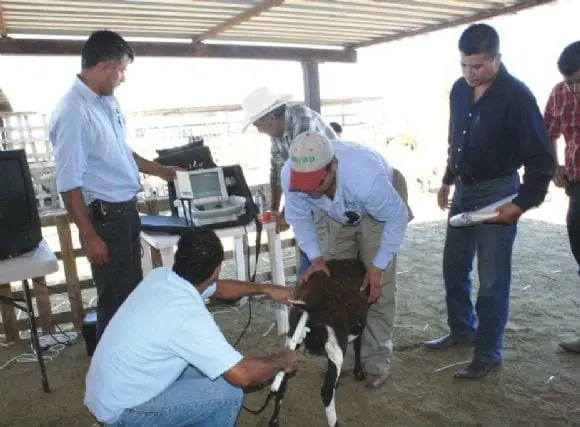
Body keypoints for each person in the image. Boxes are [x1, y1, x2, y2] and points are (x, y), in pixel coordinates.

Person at [424, 23, 555, 379]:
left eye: (478, 66)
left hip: (499, 193)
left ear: (498, 58)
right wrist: (447, 181)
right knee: (453, 267)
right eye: (465, 65)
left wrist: (521, 203)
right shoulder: (458, 90)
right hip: (464, 191)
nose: (470, 73)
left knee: (493, 281)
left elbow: (542, 158)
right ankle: (462, 330)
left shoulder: (517, 96)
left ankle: (487, 353)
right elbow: (457, 141)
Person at [84, 227, 298, 426]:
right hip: (123, 411)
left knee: (209, 368)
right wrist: (282, 360)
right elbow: (242, 375)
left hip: (107, 390)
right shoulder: (187, 315)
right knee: (229, 391)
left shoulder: (162, 277)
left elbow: (219, 288)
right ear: (216, 271)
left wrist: (266, 288)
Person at [49, 30, 182, 338]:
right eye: (122, 70)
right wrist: (89, 234)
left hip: (124, 213)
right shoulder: (73, 111)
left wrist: (160, 170)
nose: (123, 78)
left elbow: (121, 151)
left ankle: (126, 361)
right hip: (106, 219)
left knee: (129, 294)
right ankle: (114, 372)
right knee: (117, 301)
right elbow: (68, 182)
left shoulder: (105, 102)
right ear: (105, 66)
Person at [281, 131, 409, 389]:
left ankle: (376, 359)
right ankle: (345, 356)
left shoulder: (367, 178)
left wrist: (377, 267)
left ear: (333, 167)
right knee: (336, 283)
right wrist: (316, 258)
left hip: (378, 207)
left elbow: (397, 217)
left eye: (313, 183)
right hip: (333, 208)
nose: (306, 190)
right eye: (301, 184)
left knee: (377, 288)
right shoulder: (292, 177)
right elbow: (300, 218)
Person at [241, 86, 338, 282]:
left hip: (330, 190)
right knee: (309, 242)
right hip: (311, 192)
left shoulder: (302, 121)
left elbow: (303, 170)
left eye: (258, 125)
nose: (259, 131)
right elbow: (277, 169)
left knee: (322, 247)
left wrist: (286, 215)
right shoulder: (277, 134)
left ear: (271, 118)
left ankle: (309, 286)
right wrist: (274, 209)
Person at [543, 40, 580, 353]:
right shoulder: (559, 92)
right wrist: (555, 165)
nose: (573, 87)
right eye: (570, 81)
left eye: (578, 80)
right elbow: (548, 132)